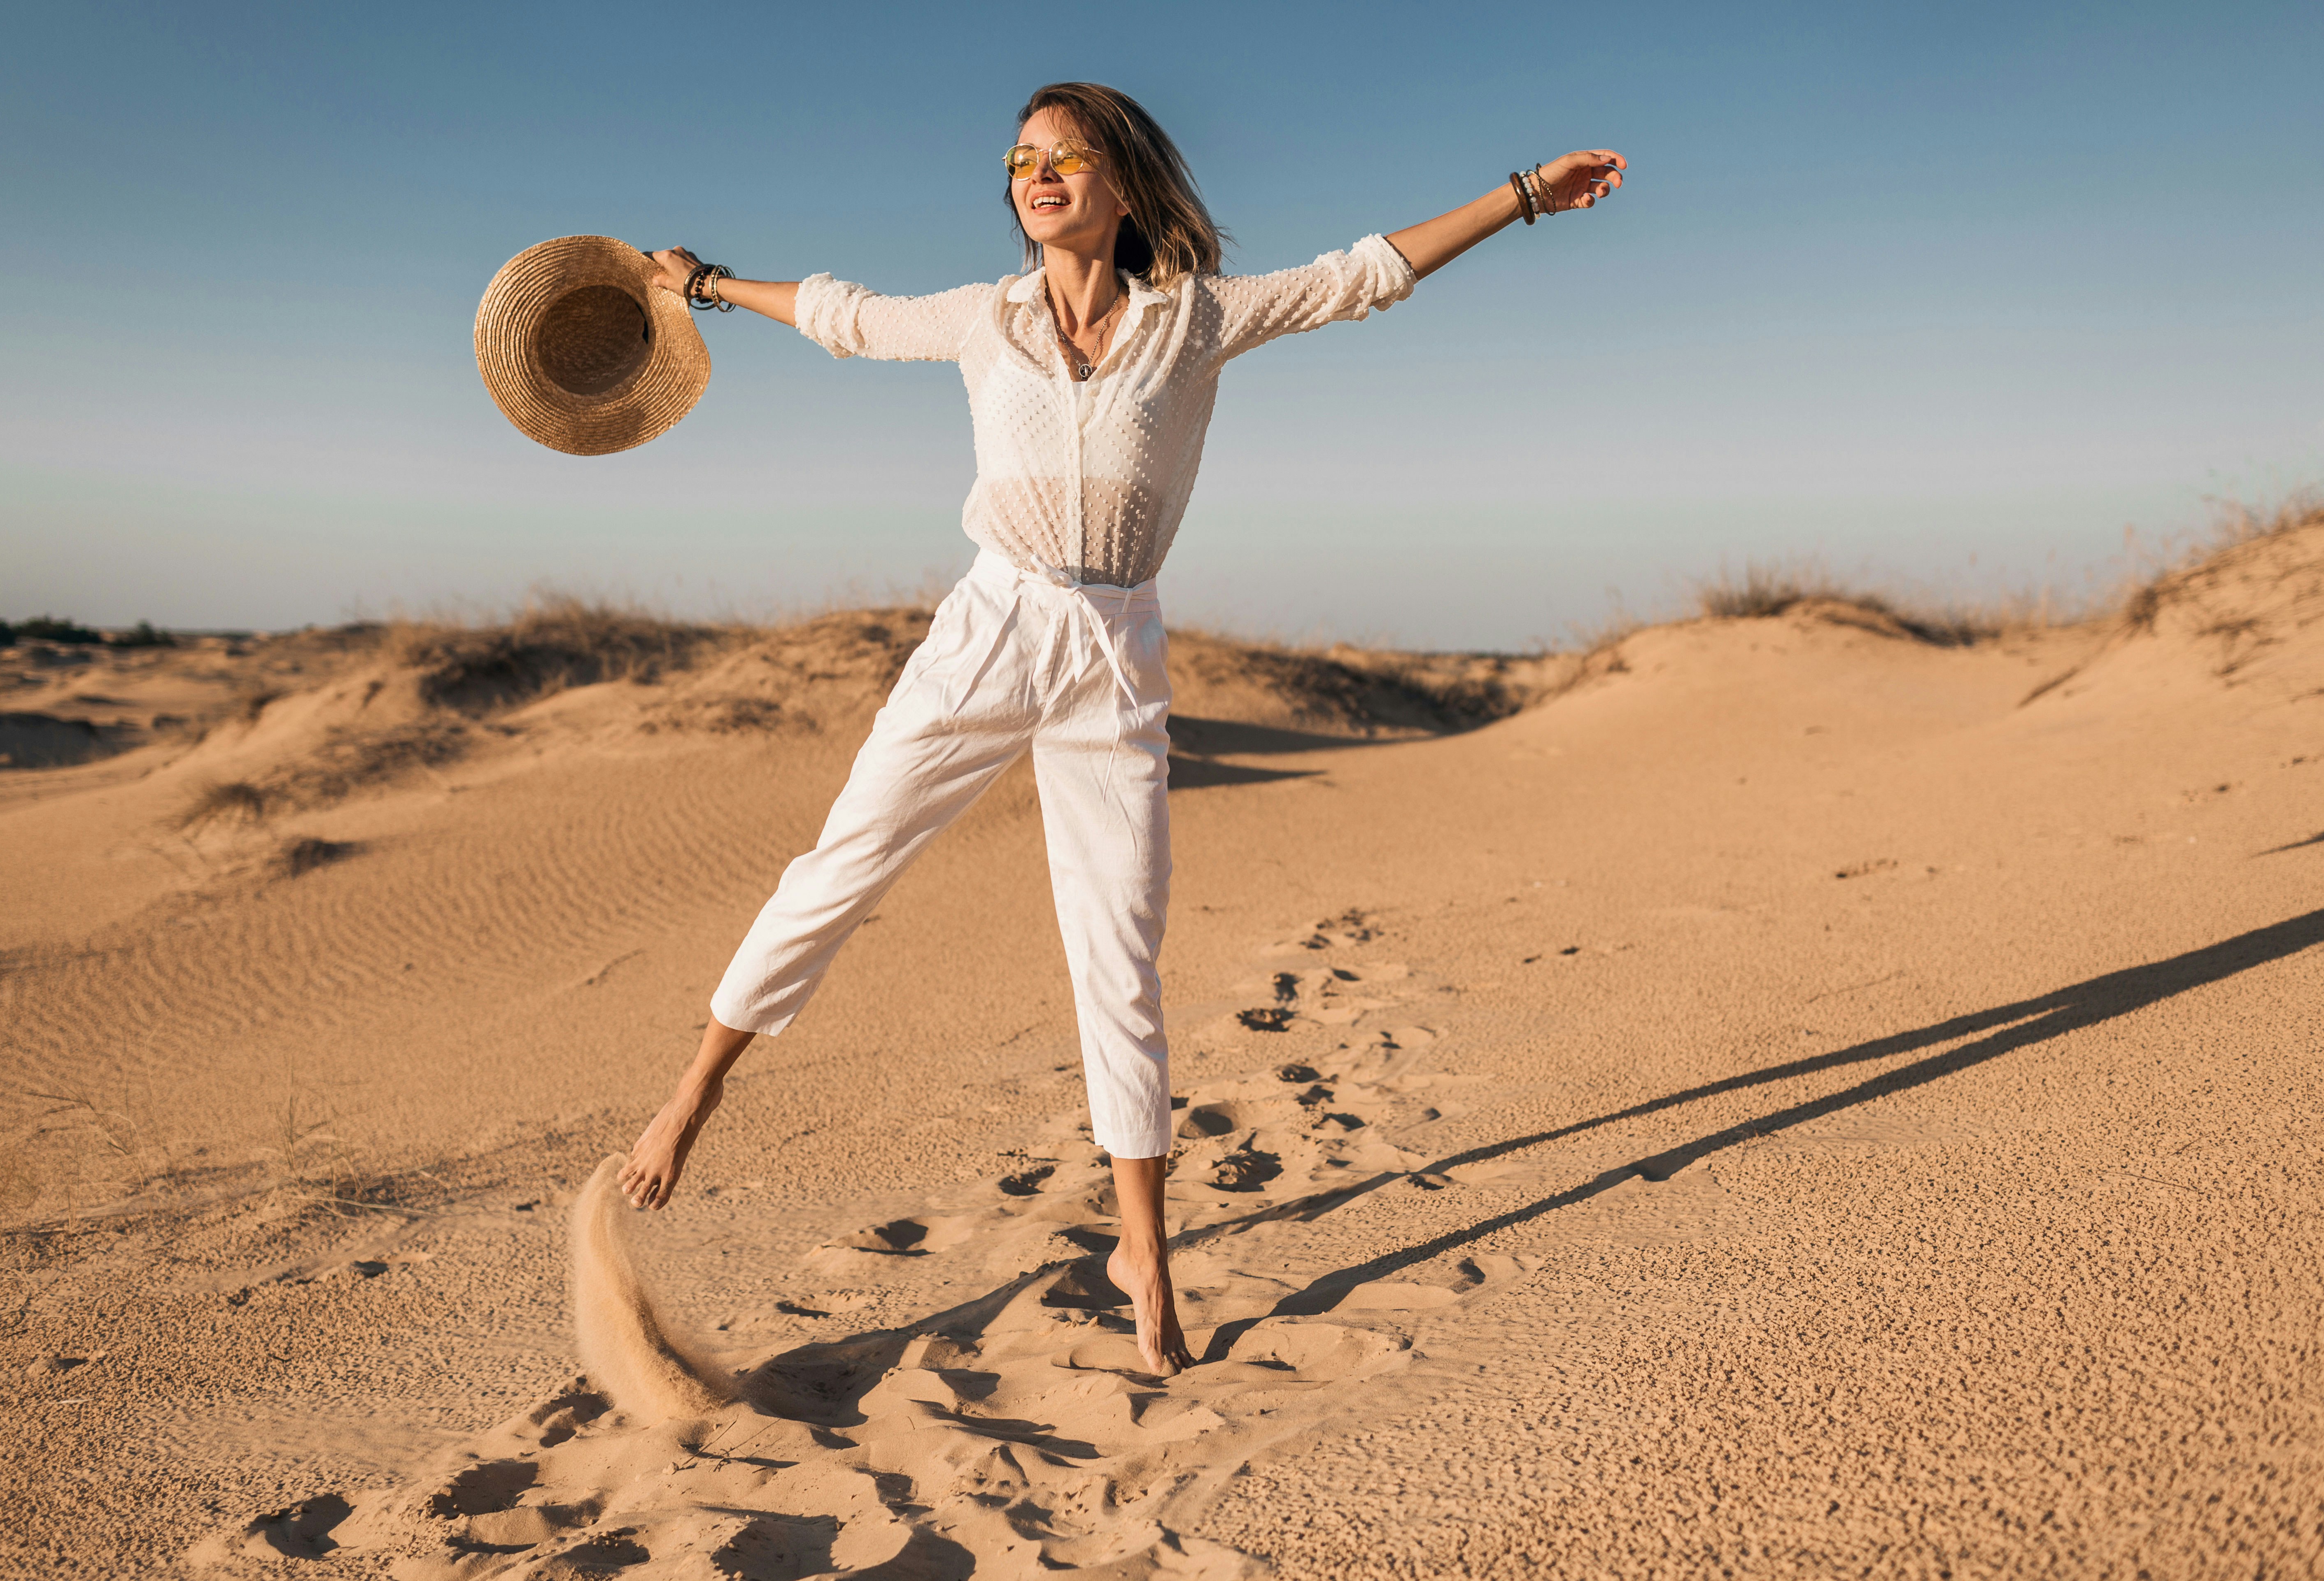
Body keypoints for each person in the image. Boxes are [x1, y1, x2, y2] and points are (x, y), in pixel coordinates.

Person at [617, 81, 1625, 1375]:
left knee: (1120, 945)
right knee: (843, 864)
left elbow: (1363, 273)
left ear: (1126, 188)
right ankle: (694, 1093)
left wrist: (1525, 195)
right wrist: (710, 286)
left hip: (1116, 653)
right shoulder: (986, 319)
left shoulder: (1193, 321)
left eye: (1069, 156)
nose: (1039, 175)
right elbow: (845, 321)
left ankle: (1141, 1248)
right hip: (990, 629)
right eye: (1024, 158)